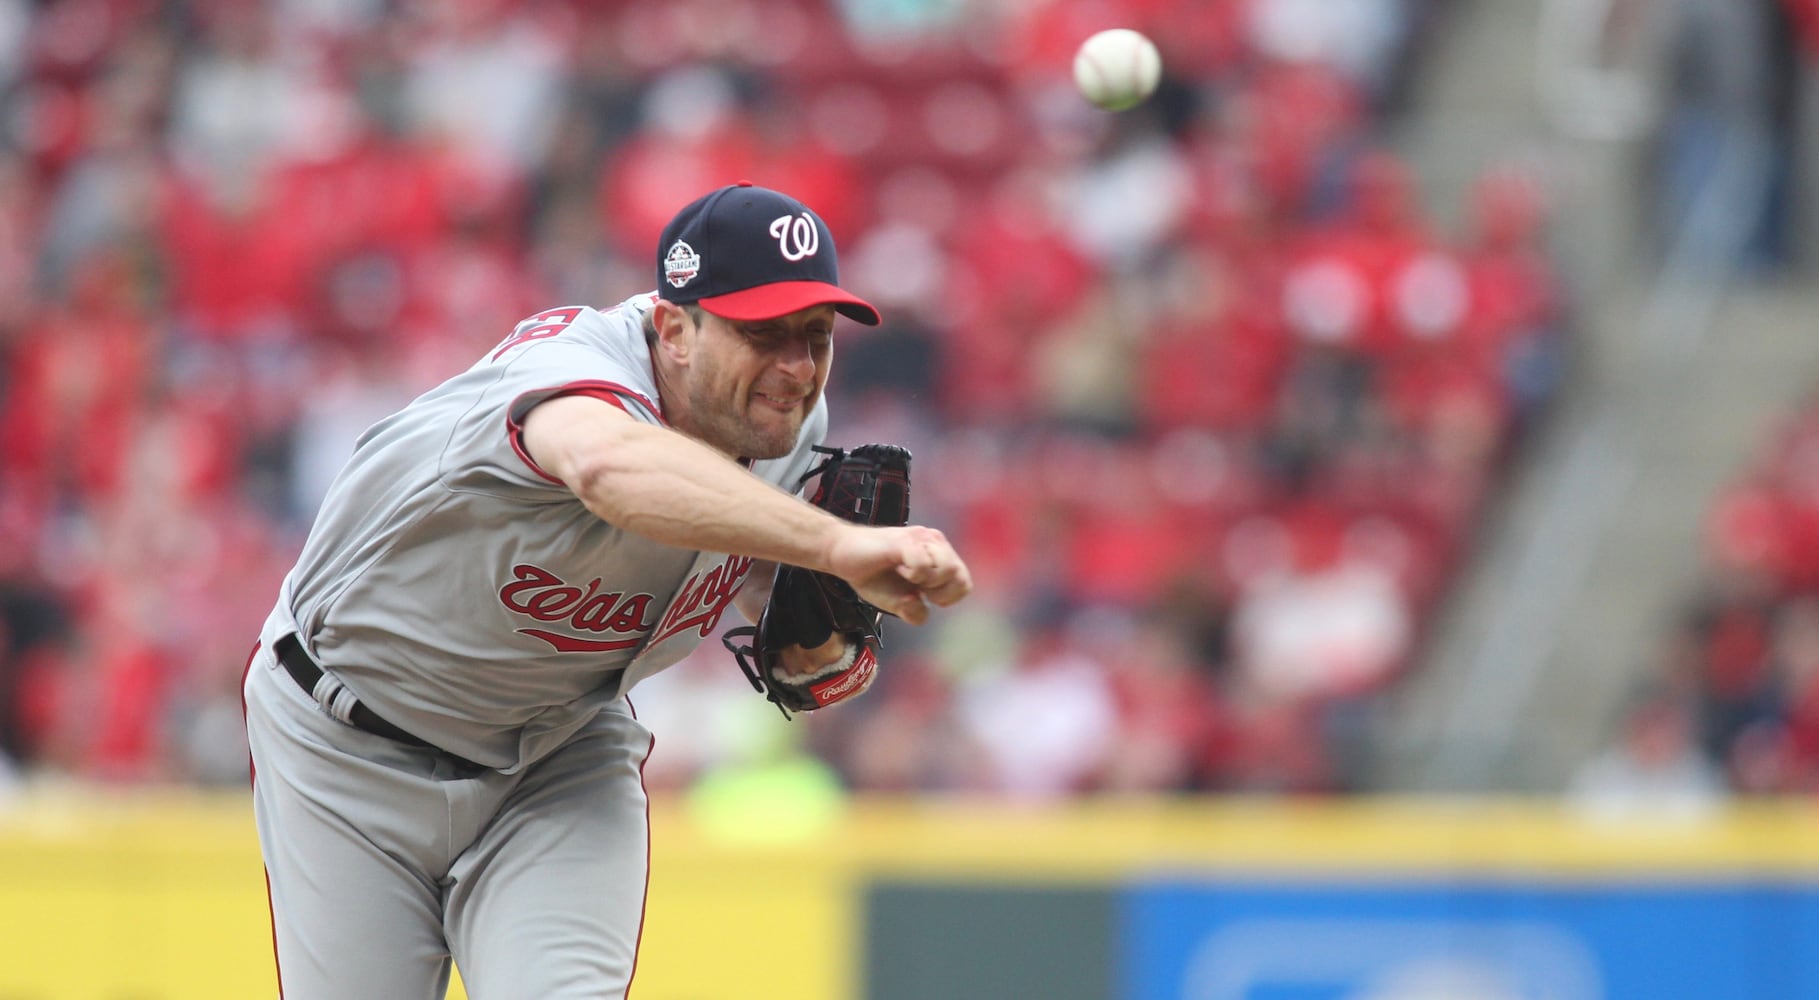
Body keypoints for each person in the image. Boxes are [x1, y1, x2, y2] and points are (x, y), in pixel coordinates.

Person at [241, 181, 973, 999]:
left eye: (814, 336)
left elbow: (754, 578)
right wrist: (835, 542)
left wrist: (802, 613)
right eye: (763, 333)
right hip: (347, 742)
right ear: (674, 329)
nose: (796, 369)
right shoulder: (565, 371)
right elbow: (608, 468)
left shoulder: (784, 421)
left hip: (557, 752)